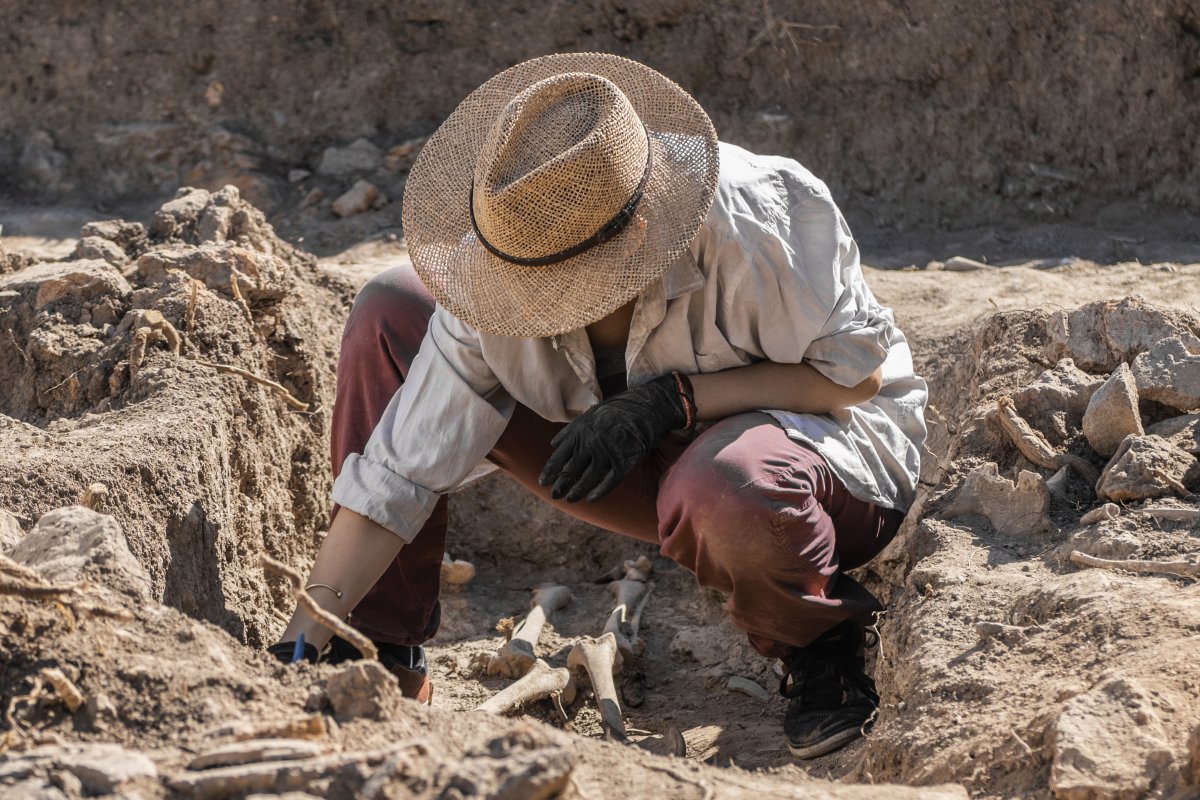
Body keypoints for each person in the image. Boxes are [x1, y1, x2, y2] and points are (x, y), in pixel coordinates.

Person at [269, 52, 927, 760]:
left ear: (636, 238)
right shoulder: (507, 252)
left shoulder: (762, 219)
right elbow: (398, 467)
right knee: (393, 309)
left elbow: (854, 379)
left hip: (819, 463)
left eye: (560, 287)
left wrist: (674, 401)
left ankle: (818, 637)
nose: (529, 307)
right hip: (632, 464)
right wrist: (310, 633)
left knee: (727, 483)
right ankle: (376, 650)